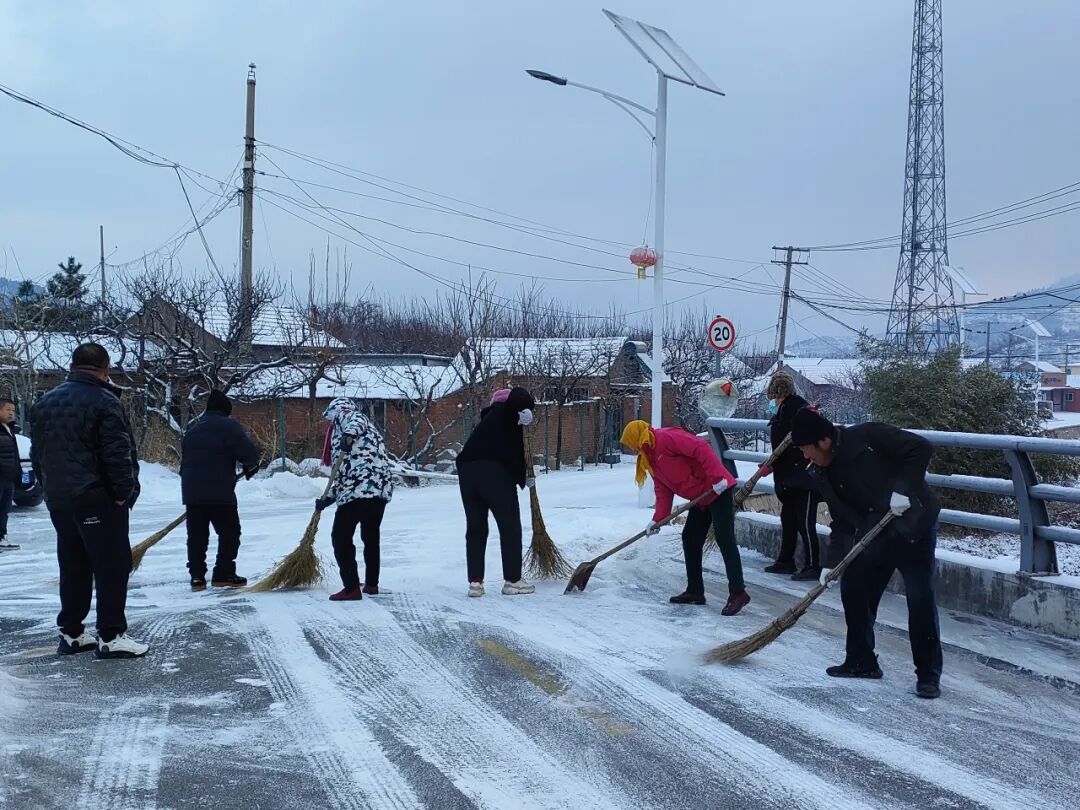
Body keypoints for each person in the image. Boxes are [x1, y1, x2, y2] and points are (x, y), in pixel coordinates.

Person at [792, 407, 943, 699]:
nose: (805, 456)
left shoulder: (868, 436)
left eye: (806, 449)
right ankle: (861, 661)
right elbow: (841, 521)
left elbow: (920, 448)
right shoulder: (823, 472)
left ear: (823, 441)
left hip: (914, 526)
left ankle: (928, 676)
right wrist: (831, 563)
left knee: (919, 598)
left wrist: (903, 490)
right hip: (877, 532)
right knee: (855, 588)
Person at [30, 343, 147, 659]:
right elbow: (117, 455)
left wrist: (49, 489)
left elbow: (36, 454)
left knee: (73, 564)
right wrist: (123, 495)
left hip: (60, 499)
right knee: (112, 565)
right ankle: (111, 635)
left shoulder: (44, 403)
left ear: (72, 365)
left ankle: (72, 632)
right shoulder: (105, 402)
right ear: (105, 370)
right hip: (96, 499)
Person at [619, 420, 750, 615]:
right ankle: (695, 591)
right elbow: (663, 490)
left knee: (724, 537)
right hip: (701, 497)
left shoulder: (665, 438)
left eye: (631, 443)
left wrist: (717, 478)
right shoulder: (650, 458)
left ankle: (738, 592)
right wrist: (658, 519)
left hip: (718, 488)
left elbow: (700, 448)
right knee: (690, 538)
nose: (632, 448)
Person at [455, 387, 537, 598]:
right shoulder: (506, 412)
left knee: (476, 528)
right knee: (509, 526)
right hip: (494, 473)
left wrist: (522, 475)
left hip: (467, 472)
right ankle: (513, 580)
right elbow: (519, 395)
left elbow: (509, 451)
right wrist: (525, 407)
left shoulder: (487, 422)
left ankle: (475, 583)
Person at [314, 398, 396, 601]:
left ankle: (351, 587)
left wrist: (348, 434)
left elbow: (356, 419)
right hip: (378, 490)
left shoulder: (347, 417)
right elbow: (344, 471)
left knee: (340, 536)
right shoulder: (369, 433)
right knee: (370, 536)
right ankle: (371, 584)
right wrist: (329, 498)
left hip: (359, 490)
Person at [180, 389, 261, 591]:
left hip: (192, 492)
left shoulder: (193, 428)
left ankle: (197, 577)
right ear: (226, 410)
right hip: (220, 493)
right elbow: (248, 452)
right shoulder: (228, 426)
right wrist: (251, 465)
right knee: (230, 532)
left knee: (197, 536)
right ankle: (223, 573)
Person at [761, 372, 821, 580]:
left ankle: (813, 565)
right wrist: (772, 464)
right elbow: (781, 446)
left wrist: (775, 464)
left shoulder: (801, 413)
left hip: (805, 478)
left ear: (780, 394)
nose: (772, 402)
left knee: (805, 523)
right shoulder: (784, 412)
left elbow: (802, 446)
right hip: (789, 477)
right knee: (788, 519)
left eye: (774, 397)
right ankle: (785, 560)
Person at [0, 398, 21, 551]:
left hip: (9, 476)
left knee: (5, 509)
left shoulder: (9, 429)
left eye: (13, 410)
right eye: (8, 410)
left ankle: (2, 537)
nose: (11, 413)